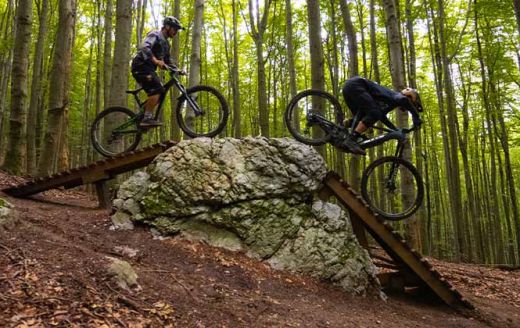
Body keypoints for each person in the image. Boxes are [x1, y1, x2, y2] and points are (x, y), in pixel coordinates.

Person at [341, 76, 423, 155]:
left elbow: (382, 117)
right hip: (356, 85)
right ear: (408, 96)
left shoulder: (389, 103)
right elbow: (403, 100)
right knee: (374, 113)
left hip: (349, 88)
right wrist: (416, 118)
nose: (407, 107)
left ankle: (346, 125)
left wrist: (395, 129)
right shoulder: (397, 96)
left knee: (367, 117)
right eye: (411, 103)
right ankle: (351, 140)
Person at [131, 16, 185, 127]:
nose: (176, 32)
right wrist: (155, 60)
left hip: (149, 68)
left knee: (161, 91)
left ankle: (144, 114)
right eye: (175, 29)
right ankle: (146, 118)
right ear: (167, 27)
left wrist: (178, 70)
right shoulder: (155, 34)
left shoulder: (166, 44)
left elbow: (167, 60)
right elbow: (144, 47)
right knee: (157, 89)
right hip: (140, 66)